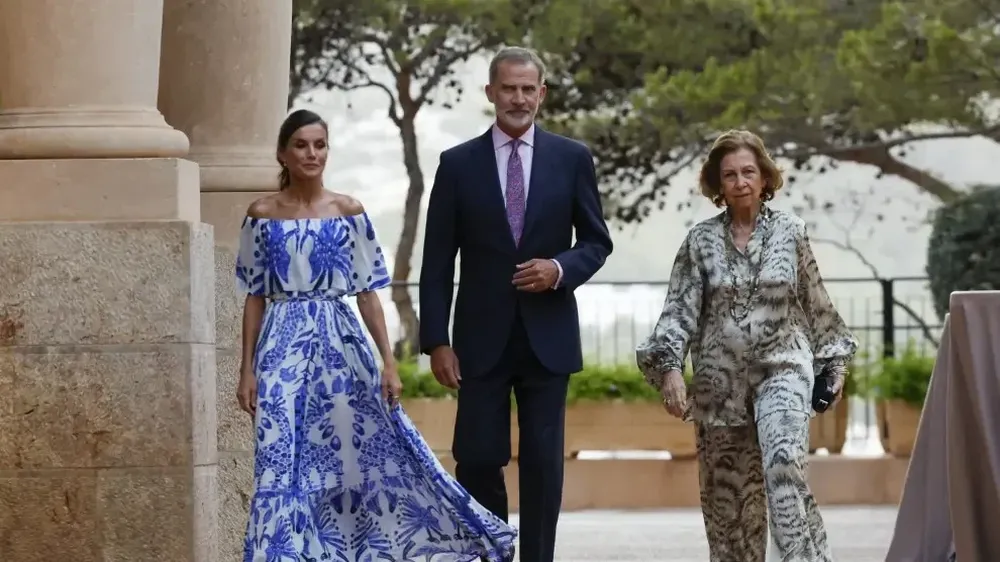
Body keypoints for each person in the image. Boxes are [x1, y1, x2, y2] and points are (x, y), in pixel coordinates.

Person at [235, 109, 517, 562]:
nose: (312, 154)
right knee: (277, 457)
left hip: (341, 347)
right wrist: (246, 369)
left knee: (358, 458)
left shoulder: (349, 211)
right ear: (283, 154)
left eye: (320, 145)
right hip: (280, 347)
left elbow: (368, 294)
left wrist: (388, 362)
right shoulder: (262, 214)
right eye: (302, 145)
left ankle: (399, 545)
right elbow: (254, 297)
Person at [418, 47, 614, 562]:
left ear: (542, 94)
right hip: (479, 342)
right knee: (478, 458)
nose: (519, 98)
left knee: (544, 465)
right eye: (509, 88)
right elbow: (437, 262)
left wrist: (559, 270)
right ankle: (493, 552)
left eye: (529, 89)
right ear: (491, 93)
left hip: (548, 337)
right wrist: (436, 340)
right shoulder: (456, 165)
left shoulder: (572, 158)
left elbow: (596, 242)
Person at [635, 129, 858, 562]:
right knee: (730, 504)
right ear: (718, 184)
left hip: (784, 370)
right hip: (720, 385)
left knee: (783, 467)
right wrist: (669, 371)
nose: (740, 181)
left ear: (764, 177)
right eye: (730, 174)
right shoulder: (699, 242)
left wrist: (835, 366)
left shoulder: (791, 232)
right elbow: (679, 310)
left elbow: (816, 301)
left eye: (748, 172)